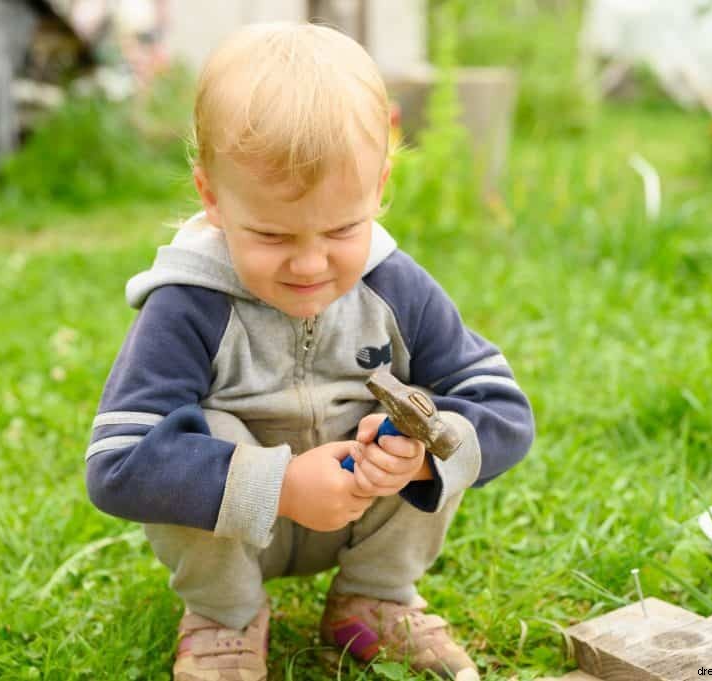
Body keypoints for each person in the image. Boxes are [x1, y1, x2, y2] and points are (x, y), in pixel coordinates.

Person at [85, 21, 534, 681]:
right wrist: (282, 486)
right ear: (211, 194)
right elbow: (118, 461)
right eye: (270, 232)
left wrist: (416, 452)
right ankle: (225, 619)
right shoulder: (187, 303)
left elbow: (503, 408)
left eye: (342, 228)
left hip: (359, 511)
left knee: (431, 430)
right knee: (203, 431)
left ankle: (373, 599)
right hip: (232, 536)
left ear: (381, 180)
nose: (309, 263)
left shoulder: (397, 286)